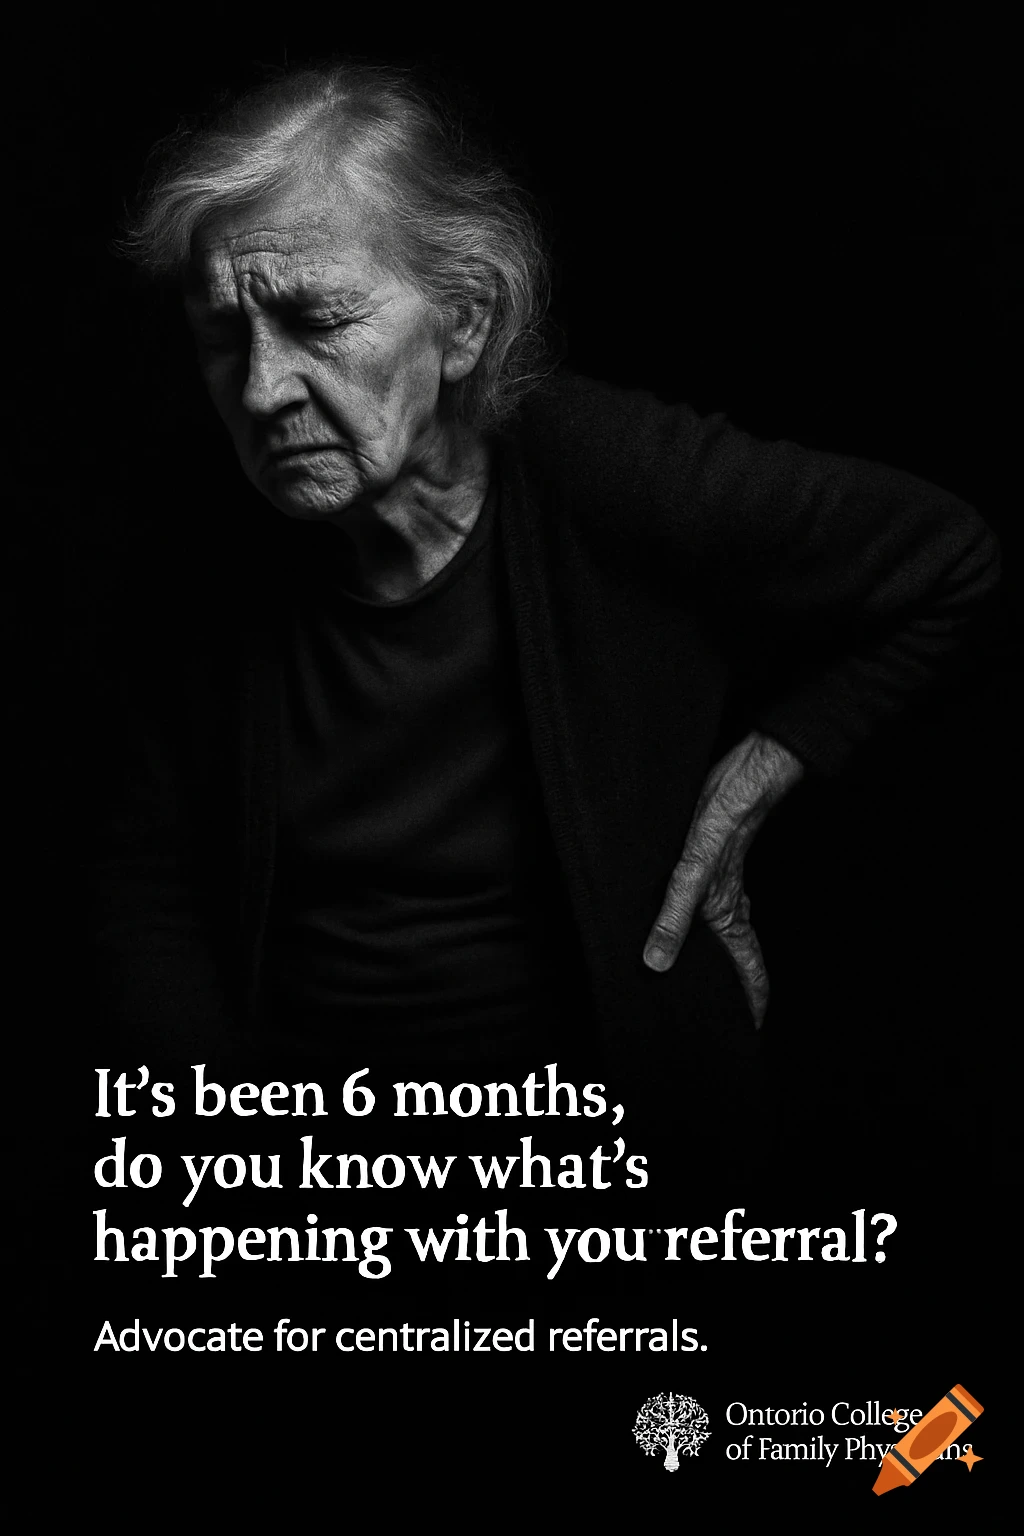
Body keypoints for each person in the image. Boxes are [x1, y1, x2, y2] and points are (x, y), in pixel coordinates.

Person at [87, 62, 999, 1127]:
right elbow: (138, 884)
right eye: (222, 334)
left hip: (598, 1128)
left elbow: (950, 560)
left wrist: (763, 769)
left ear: (465, 322)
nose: (259, 388)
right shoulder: (195, 543)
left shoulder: (608, 475)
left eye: (319, 321)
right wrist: (234, 1140)